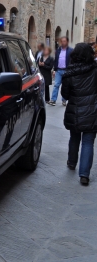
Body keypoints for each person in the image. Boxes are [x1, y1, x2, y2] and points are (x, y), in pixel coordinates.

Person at [61, 43, 97, 186]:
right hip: (93, 111)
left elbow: (65, 95)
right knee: (88, 142)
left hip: (75, 111)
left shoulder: (69, 72)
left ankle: (71, 162)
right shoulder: (95, 70)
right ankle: (84, 175)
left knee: (74, 137)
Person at [49, 36, 73, 107]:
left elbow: (72, 61)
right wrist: (54, 70)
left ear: (67, 42)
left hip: (67, 70)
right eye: (62, 41)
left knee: (65, 86)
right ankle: (53, 100)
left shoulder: (71, 50)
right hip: (59, 70)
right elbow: (56, 60)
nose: (63, 43)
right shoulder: (58, 50)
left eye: (64, 41)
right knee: (56, 85)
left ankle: (64, 100)